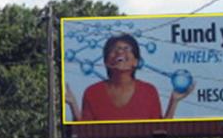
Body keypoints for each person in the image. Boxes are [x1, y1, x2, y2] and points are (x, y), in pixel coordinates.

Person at [65, 33, 193, 121]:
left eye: (127, 49)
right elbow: (84, 131)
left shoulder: (149, 91)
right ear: (105, 62)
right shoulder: (92, 92)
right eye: (114, 49)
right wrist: (72, 103)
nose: (120, 52)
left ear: (136, 62)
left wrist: (174, 101)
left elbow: (160, 130)